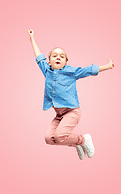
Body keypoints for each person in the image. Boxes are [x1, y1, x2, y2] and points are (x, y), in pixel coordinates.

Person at [28, 29, 114, 160]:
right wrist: (32, 39)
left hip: (72, 112)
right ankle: (77, 145)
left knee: (59, 136)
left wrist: (107, 66)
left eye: (62, 56)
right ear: (49, 61)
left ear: (65, 62)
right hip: (59, 114)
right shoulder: (47, 71)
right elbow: (39, 57)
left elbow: (88, 70)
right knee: (49, 139)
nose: (58, 57)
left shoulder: (71, 72)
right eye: (55, 55)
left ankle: (83, 139)